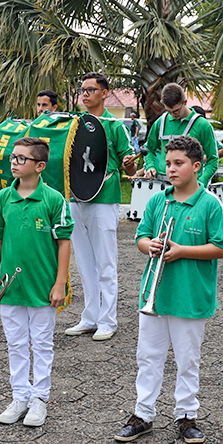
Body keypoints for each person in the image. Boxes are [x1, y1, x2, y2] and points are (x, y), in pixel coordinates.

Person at [114, 135, 223, 444]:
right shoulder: (158, 201)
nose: (171, 169)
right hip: (155, 293)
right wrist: (148, 245)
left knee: (187, 360)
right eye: (168, 163)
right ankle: (143, 414)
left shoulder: (210, 204)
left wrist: (182, 251)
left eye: (179, 163)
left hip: (190, 296)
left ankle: (186, 415)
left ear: (197, 166)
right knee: (147, 357)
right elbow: (141, 237)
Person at [0, 137, 73, 427]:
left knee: (42, 343)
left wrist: (60, 283)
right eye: (13, 157)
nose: (14, 162)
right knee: (15, 343)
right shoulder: (3, 198)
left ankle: (39, 398)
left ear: (40, 166)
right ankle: (19, 396)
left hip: (42, 287)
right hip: (10, 289)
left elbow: (64, 242)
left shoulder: (54, 200)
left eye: (21, 158)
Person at [64, 72, 137, 341]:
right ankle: (90, 317)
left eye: (91, 90)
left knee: (105, 263)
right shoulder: (74, 124)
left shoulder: (115, 126)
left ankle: (108, 320)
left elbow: (130, 165)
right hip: (75, 198)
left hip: (104, 198)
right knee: (84, 262)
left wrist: (129, 164)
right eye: (82, 90)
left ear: (105, 93)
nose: (85, 94)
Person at [143, 83, 218, 186]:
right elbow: (149, 149)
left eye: (176, 111)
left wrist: (201, 182)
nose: (173, 115)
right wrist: (151, 167)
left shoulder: (203, 125)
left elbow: (213, 159)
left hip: (191, 184)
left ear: (185, 102)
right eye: (169, 111)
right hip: (162, 182)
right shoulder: (161, 122)